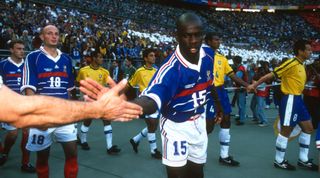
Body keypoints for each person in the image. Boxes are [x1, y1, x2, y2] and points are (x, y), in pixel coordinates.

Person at [80, 13, 222, 178]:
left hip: (199, 120)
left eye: (197, 35)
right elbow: (151, 98)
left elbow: (209, 83)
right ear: (177, 36)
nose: (193, 41)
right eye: (187, 36)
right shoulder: (170, 70)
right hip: (176, 126)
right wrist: (127, 106)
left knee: (197, 174)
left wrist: (217, 105)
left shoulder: (208, 54)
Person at [247, 39, 318, 171]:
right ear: (300, 51)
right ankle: (279, 160)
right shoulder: (291, 63)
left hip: (298, 99)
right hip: (290, 99)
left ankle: (303, 159)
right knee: (286, 130)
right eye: (308, 49)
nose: (310, 51)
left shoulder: (302, 64)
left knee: (308, 128)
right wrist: (254, 85)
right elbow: (271, 75)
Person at [0, 75, 142, 128]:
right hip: (47, 110)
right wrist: (98, 108)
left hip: (55, 112)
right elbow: (17, 111)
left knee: (71, 151)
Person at [204, 32, 249, 166]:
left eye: (219, 39)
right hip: (207, 92)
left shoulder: (221, 58)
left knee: (226, 119)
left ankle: (224, 155)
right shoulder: (201, 56)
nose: (219, 41)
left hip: (221, 90)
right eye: (216, 39)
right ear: (208, 41)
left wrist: (247, 85)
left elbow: (231, 74)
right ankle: (198, 155)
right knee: (208, 126)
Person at [76, 48, 121, 154]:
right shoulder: (83, 70)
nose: (102, 59)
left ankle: (109, 147)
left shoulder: (105, 71)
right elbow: (78, 83)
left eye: (102, 57)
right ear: (94, 58)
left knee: (107, 120)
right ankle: (83, 141)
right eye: (99, 57)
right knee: (88, 121)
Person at [0, 40, 35, 172]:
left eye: (23, 48)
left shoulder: (28, 65)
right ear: (11, 50)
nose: (22, 51)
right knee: (13, 134)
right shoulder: (3, 65)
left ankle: (25, 163)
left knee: (27, 133)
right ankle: (5, 152)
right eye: (18, 48)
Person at [127, 48, 162, 159]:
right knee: (152, 125)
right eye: (151, 55)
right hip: (145, 101)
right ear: (145, 58)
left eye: (154, 55)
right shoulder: (139, 71)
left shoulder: (157, 70)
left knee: (153, 125)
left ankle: (135, 140)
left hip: (156, 101)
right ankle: (154, 150)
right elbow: (131, 85)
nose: (154, 57)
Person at [233, 56, 248, 125]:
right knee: (240, 104)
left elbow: (237, 79)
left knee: (241, 104)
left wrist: (233, 82)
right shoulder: (241, 67)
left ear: (235, 61)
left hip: (241, 89)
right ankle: (240, 116)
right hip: (241, 88)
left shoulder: (240, 69)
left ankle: (242, 119)